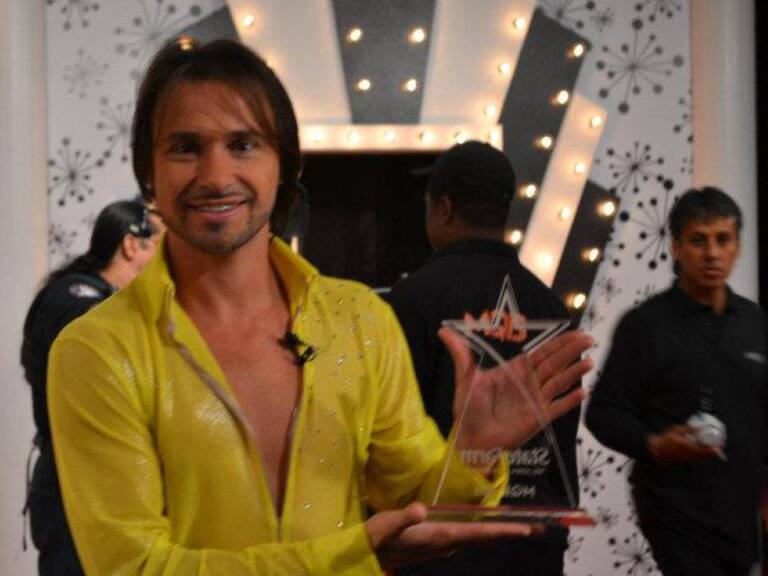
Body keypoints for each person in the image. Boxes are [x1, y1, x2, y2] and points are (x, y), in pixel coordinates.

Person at [47, 38, 593, 575]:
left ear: (284, 164)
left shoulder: (359, 320)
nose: (215, 176)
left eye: (243, 145)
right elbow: (135, 567)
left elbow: (417, 504)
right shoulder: (98, 350)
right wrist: (353, 558)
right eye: (185, 147)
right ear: (149, 171)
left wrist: (473, 451)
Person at [388, 141, 581, 575]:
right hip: (532, 541)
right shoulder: (551, 306)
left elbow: (392, 436)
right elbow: (562, 432)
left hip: (441, 546)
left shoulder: (409, 300)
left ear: (443, 208)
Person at [585, 187, 767, 576]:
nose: (712, 253)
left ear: (737, 246)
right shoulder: (646, 325)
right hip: (676, 512)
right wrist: (654, 444)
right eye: (698, 241)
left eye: (723, 240)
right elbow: (603, 412)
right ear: (676, 247)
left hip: (743, 515)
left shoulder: (755, 323)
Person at [21, 198, 159, 575]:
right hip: (74, 487)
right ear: (131, 245)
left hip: (83, 482)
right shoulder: (79, 305)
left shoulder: (82, 295)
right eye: (159, 244)